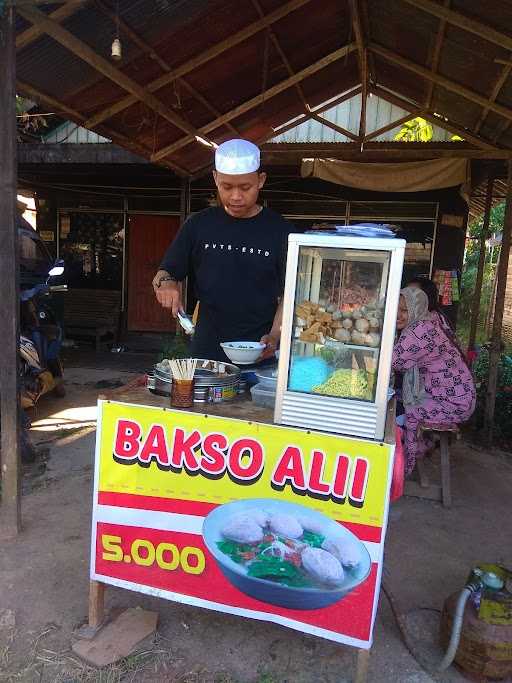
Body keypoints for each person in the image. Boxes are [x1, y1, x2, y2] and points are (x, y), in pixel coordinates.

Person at [152, 139, 292, 362]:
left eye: (245, 187)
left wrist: (276, 335)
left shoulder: (281, 231)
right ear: (216, 178)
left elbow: (290, 293)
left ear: (261, 180)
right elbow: (164, 273)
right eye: (227, 187)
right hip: (206, 352)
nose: (236, 196)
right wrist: (167, 284)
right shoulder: (198, 225)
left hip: (259, 349)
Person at [392, 286, 476, 476]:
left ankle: (405, 464)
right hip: (455, 396)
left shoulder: (419, 330)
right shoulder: (427, 321)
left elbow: (395, 362)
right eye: (395, 309)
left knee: (408, 409)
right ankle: (419, 447)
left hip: (454, 403)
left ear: (417, 308)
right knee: (400, 402)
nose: (398, 315)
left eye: (404, 310)